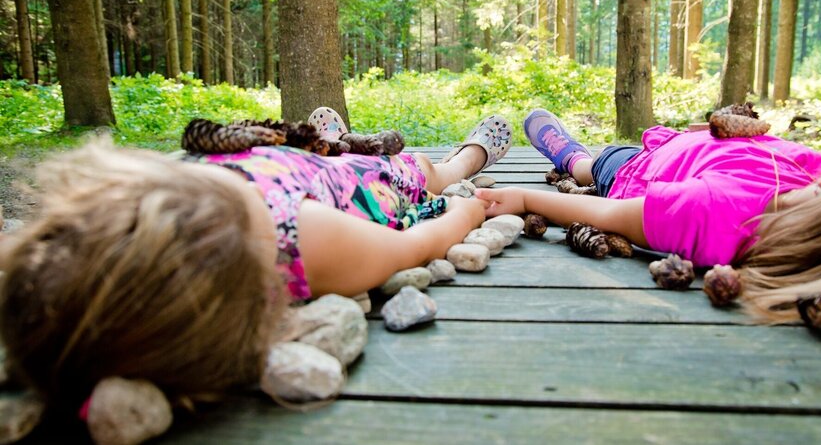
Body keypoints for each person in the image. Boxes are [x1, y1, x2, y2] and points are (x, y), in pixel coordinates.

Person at [0, 109, 512, 415]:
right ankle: (463, 161)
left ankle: (326, 139)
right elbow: (414, 247)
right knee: (415, 171)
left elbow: (42, 247)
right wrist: (463, 213)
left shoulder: (189, 214)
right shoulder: (311, 238)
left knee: (316, 146)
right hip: (358, 185)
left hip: (272, 157)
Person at [476, 109, 821, 324]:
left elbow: (608, 212)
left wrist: (525, 198)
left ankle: (571, 155)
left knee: (599, 166)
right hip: (707, 147)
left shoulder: (717, 214)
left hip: (645, 171)